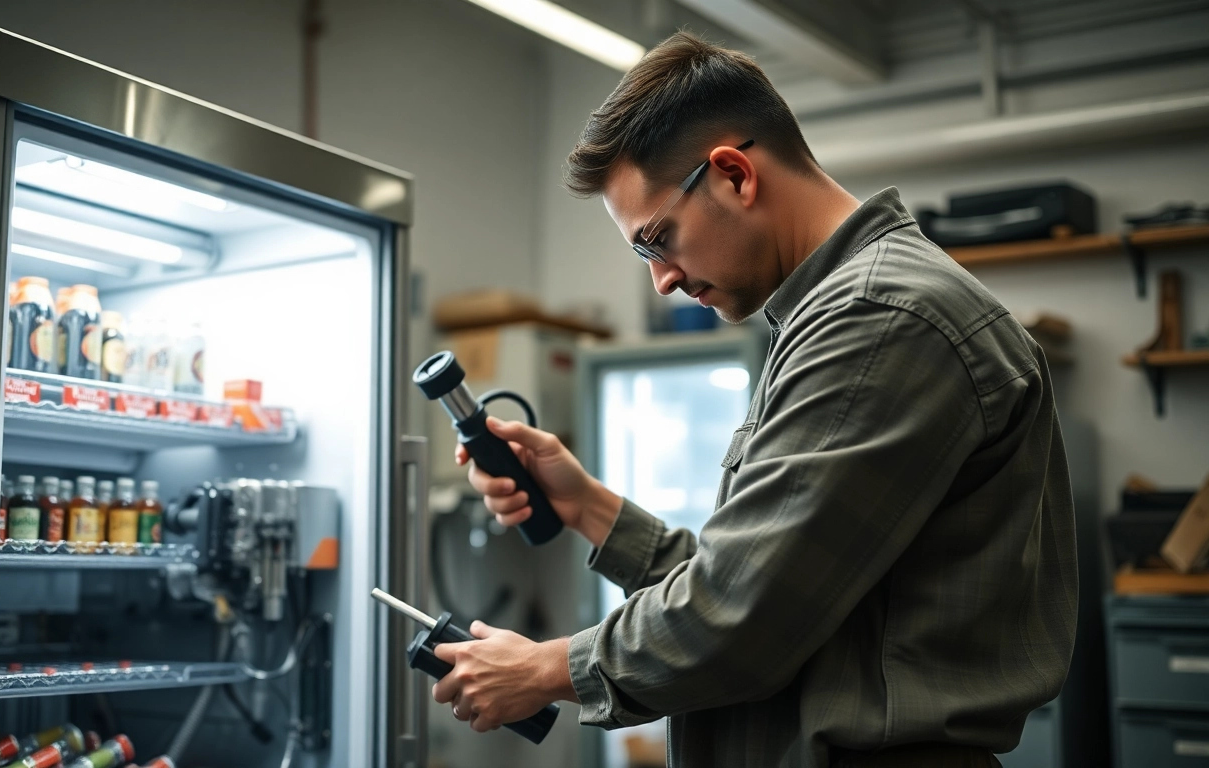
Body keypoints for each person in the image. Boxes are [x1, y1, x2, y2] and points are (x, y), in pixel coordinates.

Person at [430, 31, 1077, 768]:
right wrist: (586, 507)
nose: (662, 280)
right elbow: (765, 581)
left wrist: (545, 671)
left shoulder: (879, 317)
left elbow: (737, 619)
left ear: (734, 174)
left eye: (656, 241)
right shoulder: (831, 315)